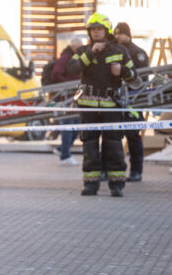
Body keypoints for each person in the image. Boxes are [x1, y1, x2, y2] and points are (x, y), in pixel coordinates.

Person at [68, 13, 138, 197]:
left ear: (106, 30)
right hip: (88, 107)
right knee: (89, 145)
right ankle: (91, 184)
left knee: (113, 144)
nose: (96, 32)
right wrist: (92, 52)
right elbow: (72, 69)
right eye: (92, 29)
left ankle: (117, 184)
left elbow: (135, 78)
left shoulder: (120, 51)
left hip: (111, 106)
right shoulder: (83, 51)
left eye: (99, 29)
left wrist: (121, 70)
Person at [114, 22, 149, 182]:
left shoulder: (138, 53)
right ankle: (112, 169)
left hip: (133, 101)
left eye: (120, 34)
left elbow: (141, 78)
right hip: (116, 101)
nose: (117, 37)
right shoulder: (113, 51)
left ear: (128, 34)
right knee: (112, 137)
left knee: (133, 137)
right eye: (115, 34)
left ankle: (136, 171)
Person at [51, 38, 83, 166]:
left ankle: (62, 149)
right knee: (69, 125)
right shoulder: (66, 58)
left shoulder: (75, 57)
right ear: (74, 46)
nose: (81, 48)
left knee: (76, 125)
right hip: (66, 97)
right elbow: (56, 74)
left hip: (76, 95)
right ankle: (65, 155)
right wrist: (68, 85)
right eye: (80, 46)